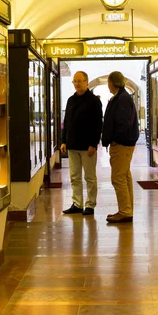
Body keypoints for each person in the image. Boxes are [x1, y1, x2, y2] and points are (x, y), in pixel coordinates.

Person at [61, 71, 103, 215]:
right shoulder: (70, 100)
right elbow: (66, 122)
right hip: (72, 145)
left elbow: (98, 124)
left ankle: (90, 205)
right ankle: (77, 204)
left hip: (87, 147)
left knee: (90, 177)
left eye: (80, 81)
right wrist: (63, 141)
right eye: (75, 81)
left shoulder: (94, 101)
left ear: (86, 82)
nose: (77, 84)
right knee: (74, 177)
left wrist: (93, 143)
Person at [102, 71, 139, 223]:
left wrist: (115, 140)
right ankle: (127, 209)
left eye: (108, 82)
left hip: (121, 145)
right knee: (124, 176)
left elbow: (123, 124)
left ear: (113, 82)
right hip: (123, 143)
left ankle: (125, 211)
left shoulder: (122, 99)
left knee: (118, 177)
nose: (108, 85)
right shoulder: (121, 97)